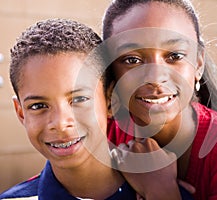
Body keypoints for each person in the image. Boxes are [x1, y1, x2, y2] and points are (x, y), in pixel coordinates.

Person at [0, 18, 194, 200]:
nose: (60, 123)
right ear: (20, 112)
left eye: (78, 99)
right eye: (39, 106)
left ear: (111, 102)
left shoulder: (169, 193)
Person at [101, 0, 217, 199]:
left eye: (174, 56)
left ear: (198, 64)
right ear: (110, 70)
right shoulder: (103, 134)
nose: (155, 78)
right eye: (132, 60)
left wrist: (160, 190)